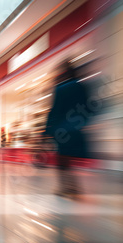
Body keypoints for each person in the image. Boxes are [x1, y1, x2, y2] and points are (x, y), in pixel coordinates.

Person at [45, 61, 89, 198]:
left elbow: (54, 110)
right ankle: (73, 187)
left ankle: (65, 187)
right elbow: (88, 107)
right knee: (70, 159)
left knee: (62, 160)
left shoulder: (60, 88)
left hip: (62, 130)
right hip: (76, 128)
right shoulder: (81, 86)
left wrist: (46, 130)